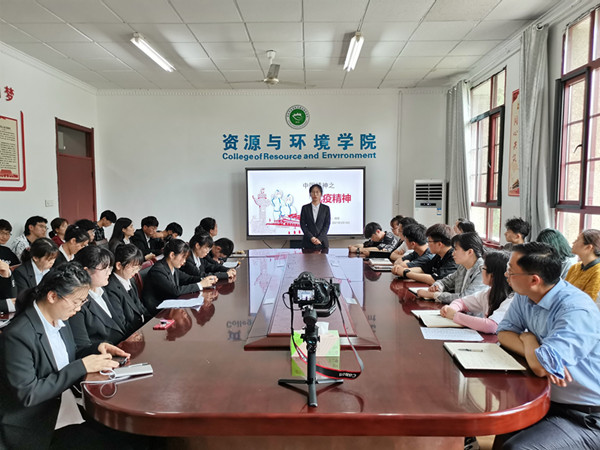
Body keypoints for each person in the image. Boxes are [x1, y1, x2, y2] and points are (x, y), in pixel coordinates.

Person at [0, 262, 132, 450]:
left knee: (128, 433)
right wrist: (82, 366)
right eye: (76, 302)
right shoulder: (18, 335)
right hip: (35, 424)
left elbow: (66, 357)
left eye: (83, 302)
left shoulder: (59, 319)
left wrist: (96, 349)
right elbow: (28, 394)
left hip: (65, 406)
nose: (79, 308)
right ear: (52, 296)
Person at [494, 242, 600, 449]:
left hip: (584, 414)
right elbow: (504, 333)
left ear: (534, 280)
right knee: (502, 429)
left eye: (511, 271)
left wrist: (528, 338)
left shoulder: (576, 309)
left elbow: (541, 368)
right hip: (545, 399)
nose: (506, 275)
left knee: (517, 448)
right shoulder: (526, 296)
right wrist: (534, 347)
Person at [70, 246, 127, 354]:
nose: (109, 273)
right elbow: (82, 348)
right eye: (104, 269)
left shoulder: (101, 290)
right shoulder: (78, 304)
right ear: (86, 271)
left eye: (110, 268)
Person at [440, 250, 513, 333]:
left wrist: (455, 315)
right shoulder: (488, 293)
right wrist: (451, 309)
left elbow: (491, 326)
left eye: (483, 268)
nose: (481, 271)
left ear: (492, 275)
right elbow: (461, 302)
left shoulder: (512, 299)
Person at [417, 232, 486, 303]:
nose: (453, 253)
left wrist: (434, 295)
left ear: (470, 252)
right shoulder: (463, 267)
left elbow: (466, 298)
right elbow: (447, 281)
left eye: (456, 249)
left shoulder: (483, 271)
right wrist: (437, 286)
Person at [142, 239, 205, 314]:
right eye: (183, 257)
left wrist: (203, 279)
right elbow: (175, 291)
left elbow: (188, 278)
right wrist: (200, 285)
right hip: (158, 311)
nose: (184, 261)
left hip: (170, 306)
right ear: (172, 255)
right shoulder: (158, 270)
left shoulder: (172, 267)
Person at [104, 244, 150, 336]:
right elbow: (122, 324)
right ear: (119, 265)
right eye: (133, 268)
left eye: (138, 268)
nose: (136, 272)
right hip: (132, 335)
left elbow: (140, 307)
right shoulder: (111, 289)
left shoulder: (130, 279)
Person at [566, 229, 600, 301]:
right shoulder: (575, 267)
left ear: (589, 247)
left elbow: (589, 301)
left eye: (577, 240)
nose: (573, 242)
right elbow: (563, 290)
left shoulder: (598, 272)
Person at [300, 184, 331, 250]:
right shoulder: (305, 208)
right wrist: (311, 237)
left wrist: (319, 239)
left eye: (317, 192)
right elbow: (303, 224)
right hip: (308, 242)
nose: (315, 194)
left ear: (321, 194)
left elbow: (326, 225)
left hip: (322, 242)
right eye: (313, 192)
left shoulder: (326, 208)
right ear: (310, 194)